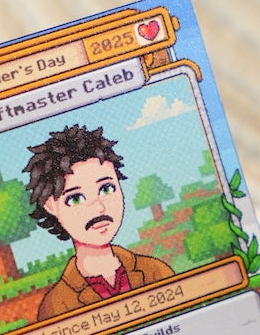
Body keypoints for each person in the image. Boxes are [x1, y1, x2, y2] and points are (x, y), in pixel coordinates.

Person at [24, 124, 173, 321]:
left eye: (106, 189)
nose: (98, 208)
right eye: (76, 198)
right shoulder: (57, 305)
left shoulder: (155, 272)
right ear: (51, 205)